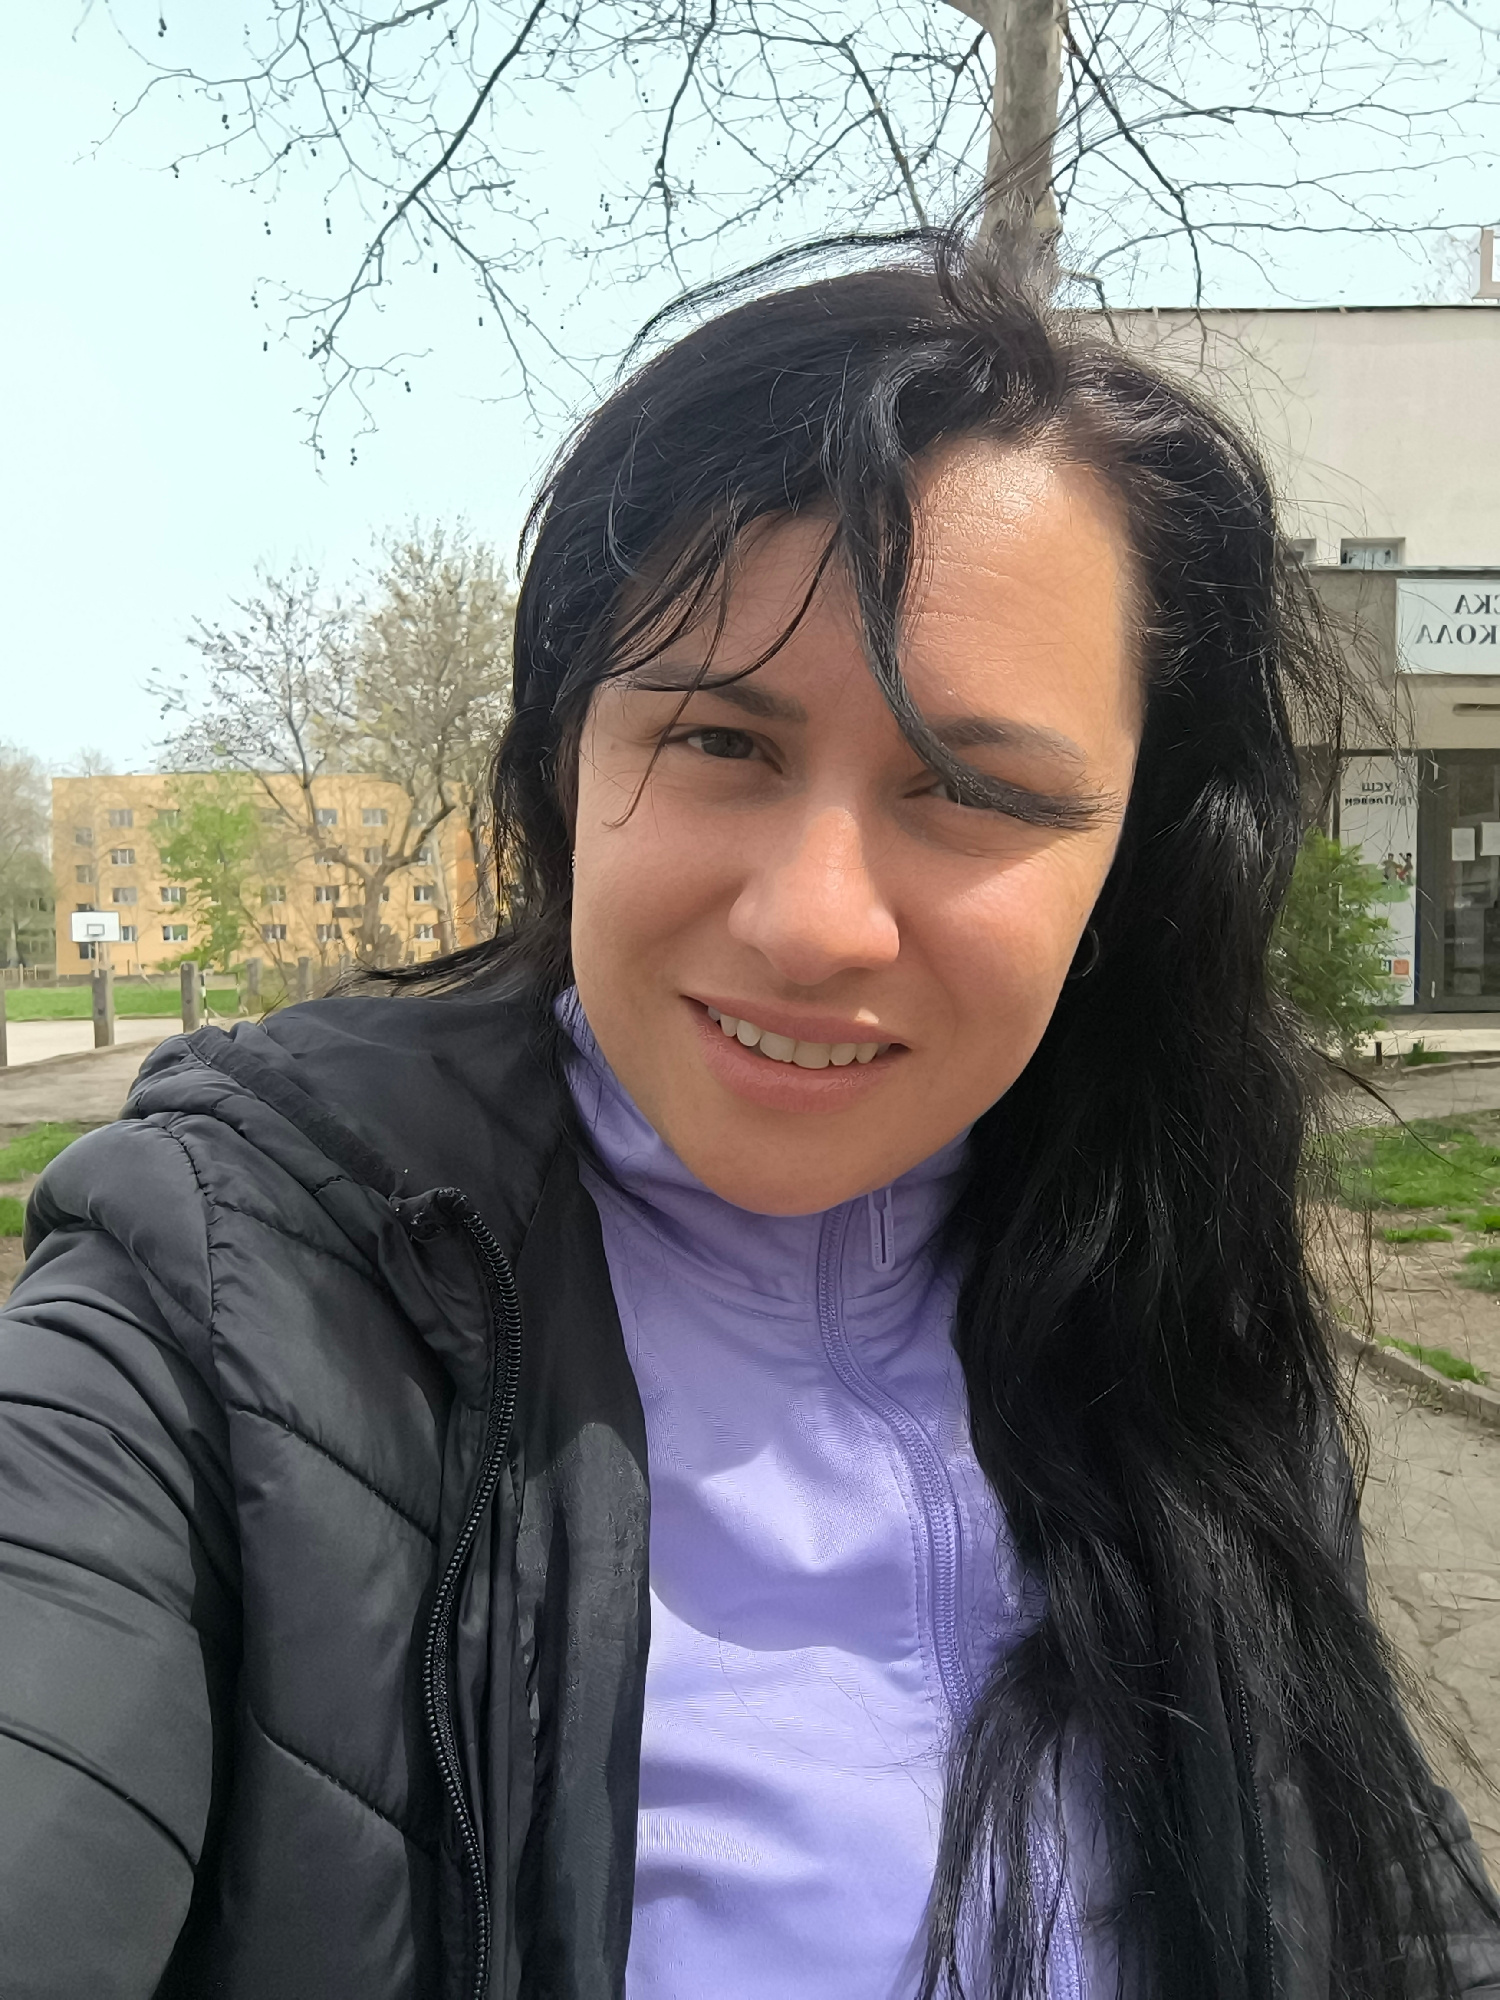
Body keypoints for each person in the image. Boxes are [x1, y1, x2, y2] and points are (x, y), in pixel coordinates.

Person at [2, 229, 1497, 2000]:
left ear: (1134, 864)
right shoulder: (218, 1301)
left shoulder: (1176, 1307)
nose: (811, 922)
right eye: (722, 743)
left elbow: (1377, 1886)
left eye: (973, 789)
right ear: (571, 758)